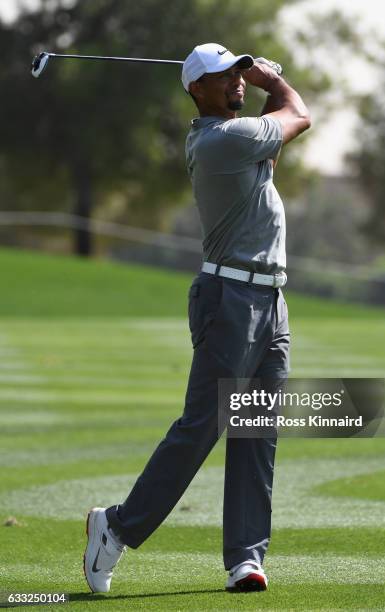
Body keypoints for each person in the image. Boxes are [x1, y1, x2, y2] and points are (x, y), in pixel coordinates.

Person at [83, 42, 310, 594]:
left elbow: (271, 148)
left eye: (237, 72)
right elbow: (298, 115)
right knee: (202, 426)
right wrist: (269, 79)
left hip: (270, 302)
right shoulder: (217, 141)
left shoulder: (238, 144)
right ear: (196, 89)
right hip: (229, 300)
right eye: (222, 76)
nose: (234, 81)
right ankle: (114, 527)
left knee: (256, 431)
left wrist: (256, 81)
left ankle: (246, 558)